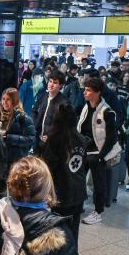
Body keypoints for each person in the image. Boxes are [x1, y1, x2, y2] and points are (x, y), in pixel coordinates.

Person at [41, 104, 87, 243]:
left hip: (61, 191)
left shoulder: (54, 139)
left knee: (58, 232)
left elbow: (48, 167)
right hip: (78, 190)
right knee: (73, 230)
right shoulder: (80, 138)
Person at [78, 78, 121, 225]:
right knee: (78, 180)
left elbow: (111, 138)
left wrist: (101, 156)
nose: (85, 92)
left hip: (98, 153)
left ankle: (98, 211)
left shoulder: (107, 111)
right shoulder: (85, 107)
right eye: (85, 89)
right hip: (84, 151)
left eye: (89, 90)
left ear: (98, 93)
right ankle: (79, 204)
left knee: (98, 183)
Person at [0, 88, 36, 196]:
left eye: (8, 99)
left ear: (15, 101)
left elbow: (30, 139)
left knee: (12, 194)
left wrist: (9, 137)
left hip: (15, 162)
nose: (4, 102)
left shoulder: (23, 118)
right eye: (3, 99)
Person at [33, 70, 68, 153]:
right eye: (50, 81)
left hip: (53, 146)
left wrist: (51, 136)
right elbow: (34, 111)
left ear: (61, 86)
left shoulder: (64, 103)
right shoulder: (43, 96)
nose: (51, 85)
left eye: (55, 83)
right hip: (38, 140)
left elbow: (66, 127)